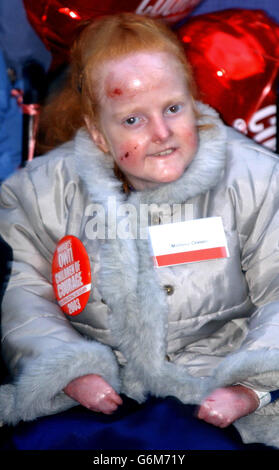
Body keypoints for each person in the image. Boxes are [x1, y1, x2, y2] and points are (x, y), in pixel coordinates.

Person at [0, 12, 279, 449]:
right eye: (132, 120)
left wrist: (251, 386)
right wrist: (70, 370)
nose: (163, 133)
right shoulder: (42, 194)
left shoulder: (258, 180)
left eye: (173, 107)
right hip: (96, 401)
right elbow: (25, 293)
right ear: (97, 132)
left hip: (217, 394)